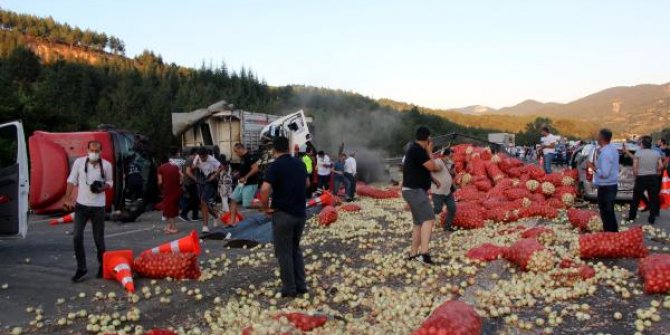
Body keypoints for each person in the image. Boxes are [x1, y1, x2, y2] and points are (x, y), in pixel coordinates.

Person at [259, 136, 309, 298]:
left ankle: (289, 288)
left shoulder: (275, 167)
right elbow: (307, 184)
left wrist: (265, 207)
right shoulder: (300, 164)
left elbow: (265, 190)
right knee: (295, 249)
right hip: (300, 213)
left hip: (283, 214)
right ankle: (301, 285)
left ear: (274, 149)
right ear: (288, 148)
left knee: (284, 252)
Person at [64, 141, 114, 282]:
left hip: (98, 206)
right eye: (92, 150)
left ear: (101, 152)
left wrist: (103, 187)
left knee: (99, 239)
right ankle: (81, 268)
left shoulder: (106, 165)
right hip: (81, 206)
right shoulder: (79, 163)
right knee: (77, 236)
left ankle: (102, 266)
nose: (94, 153)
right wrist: (67, 198)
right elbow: (71, 180)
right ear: (87, 150)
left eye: (97, 151)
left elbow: (110, 182)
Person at [402, 126, 441, 264]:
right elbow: (433, 167)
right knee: (429, 219)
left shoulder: (415, 149)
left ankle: (413, 254)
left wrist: (434, 181)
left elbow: (421, 171)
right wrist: (430, 151)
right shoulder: (418, 150)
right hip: (415, 190)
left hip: (412, 190)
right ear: (428, 138)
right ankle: (424, 254)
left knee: (419, 223)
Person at [587, 129, 619, 232]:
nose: (596, 137)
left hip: (606, 187)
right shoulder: (612, 149)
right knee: (610, 212)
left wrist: (593, 167)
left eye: (598, 135)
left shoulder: (606, 153)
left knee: (606, 213)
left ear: (601, 137)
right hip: (611, 185)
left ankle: (609, 235)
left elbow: (605, 174)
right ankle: (614, 233)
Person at [626, 136, 663, 224]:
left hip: (641, 177)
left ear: (642, 145)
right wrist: (658, 171)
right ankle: (652, 219)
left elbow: (635, 167)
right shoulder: (656, 153)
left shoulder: (638, 153)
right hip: (653, 177)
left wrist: (636, 174)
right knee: (653, 198)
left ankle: (631, 217)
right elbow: (661, 166)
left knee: (636, 199)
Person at [187, 147, 222, 232]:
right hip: (202, 180)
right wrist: (195, 166)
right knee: (203, 204)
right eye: (201, 157)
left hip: (211, 180)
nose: (202, 158)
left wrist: (215, 175)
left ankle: (205, 226)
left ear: (207, 155)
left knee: (203, 201)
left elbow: (221, 167)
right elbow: (192, 167)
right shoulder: (197, 157)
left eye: (204, 157)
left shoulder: (212, 159)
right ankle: (216, 215)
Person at [229, 143, 260, 225]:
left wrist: (246, 177)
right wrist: (237, 173)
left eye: (236, 151)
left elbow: (255, 169)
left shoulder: (249, 157)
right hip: (241, 184)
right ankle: (232, 222)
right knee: (233, 199)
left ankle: (266, 206)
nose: (235, 153)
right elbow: (244, 168)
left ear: (240, 149)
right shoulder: (242, 158)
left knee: (247, 204)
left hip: (250, 183)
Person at [431, 147, 457, 232]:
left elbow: (453, 174)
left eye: (452, 156)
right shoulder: (438, 162)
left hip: (447, 192)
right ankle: (424, 217)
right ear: (444, 155)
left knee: (452, 208)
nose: (450, 158)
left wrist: (452, 171)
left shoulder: (450, 162)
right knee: (438, 209)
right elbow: (433, 169)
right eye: (450, 156)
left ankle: (447, 227)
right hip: (438, 192)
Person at [158, 155, 182, 234]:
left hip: (167, 191)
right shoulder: (175, 166)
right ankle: (169, 226)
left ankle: (174, 228)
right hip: (177, 190)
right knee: (173, 208)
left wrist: (160, 188)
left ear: (161, 162)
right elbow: (182, 176)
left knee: (169, 210)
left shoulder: (160, 168)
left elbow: (160, 182)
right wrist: (179, 184)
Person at [179, 148, 200, 222]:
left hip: (191, 182)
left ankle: (195, 216)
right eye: (198, 154)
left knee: (195, 200)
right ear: (195, 154)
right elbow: (188, 172)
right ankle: (183, 214)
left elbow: (191, 168)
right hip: (189, 183)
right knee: (194, 199)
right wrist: (195, 179)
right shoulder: (190, 160)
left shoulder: (192, 160)